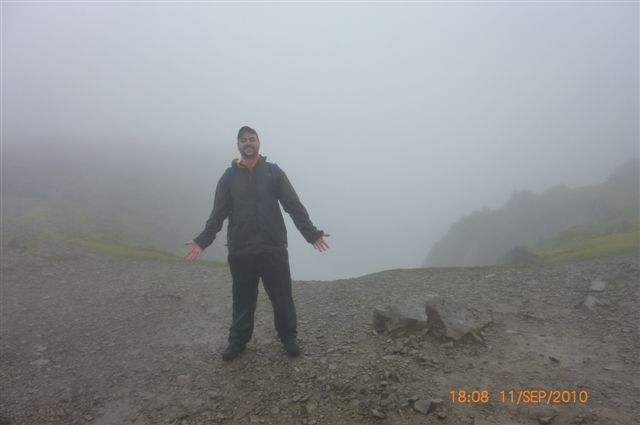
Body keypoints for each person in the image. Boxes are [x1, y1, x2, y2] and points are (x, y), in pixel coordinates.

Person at [184, 126, 329, 361]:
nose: (248, 143)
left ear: (259, 143)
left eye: (252, 139)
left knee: (282, 297)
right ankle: (238, 342)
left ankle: (289, 338)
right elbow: (218, 213)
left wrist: (312, 234)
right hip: (241, 250)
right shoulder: (228, 177)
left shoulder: (273, 173)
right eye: (243, 140)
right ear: (238, 145)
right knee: (242, 299)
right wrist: (202, 241)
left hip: (273, 248)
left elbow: (293, 205)